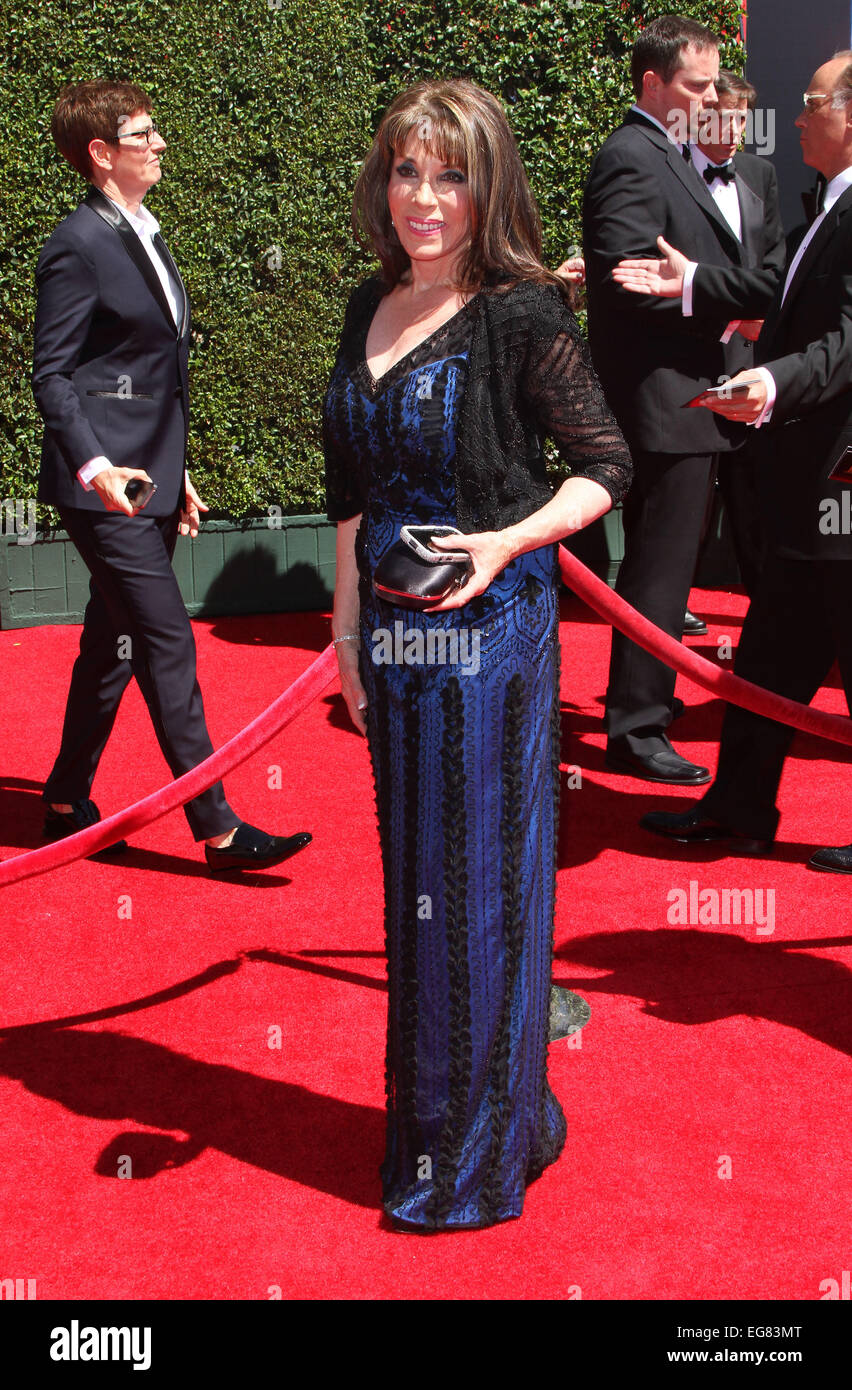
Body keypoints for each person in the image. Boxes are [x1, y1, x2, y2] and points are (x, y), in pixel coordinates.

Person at [323, 79, 632, 1230]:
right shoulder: (369, 303)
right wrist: (346, 631)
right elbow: (350, 492)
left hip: (488, 642)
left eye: (450, 173)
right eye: (407, 170)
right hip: (398, 648)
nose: (425, 198)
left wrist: (508, 540)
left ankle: (472, 1158)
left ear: (486, 184)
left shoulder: (520, 316)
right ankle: (483, 1115)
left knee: (472, 894)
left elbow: (608, 466)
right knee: (418, 893)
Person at [33, 80, 310, 873]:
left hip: (147, 479)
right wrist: (96, 468)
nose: (159, 144)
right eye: (144, 133)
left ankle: (62, 795)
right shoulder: (77, 243)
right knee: (165, 638)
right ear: (101, 153)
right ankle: (216, 823)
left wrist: (173, 470)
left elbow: (150, 375)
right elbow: (51, 376)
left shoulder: (146, 234)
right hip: (103, 490)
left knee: (111, 645)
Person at [639, 51, 852, 872]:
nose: (794, 118)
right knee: (768, 661)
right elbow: (773, 291)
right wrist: (690, 280)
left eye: (811, 104)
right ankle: (739, 809)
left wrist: (770, 384)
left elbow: (843, 348)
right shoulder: (826, 208)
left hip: (842, 485)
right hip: (808, 492)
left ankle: (738, 806)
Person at [582, 16, 785, 787]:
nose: (710, 100)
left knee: (673, 571)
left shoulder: (665, 154)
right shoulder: (633, 157)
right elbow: (629, 286)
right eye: (697, 87)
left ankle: (644, 715)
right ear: (653, 86)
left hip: (699, 398)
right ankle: (636, 726)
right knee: (660, 576)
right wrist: (731, 309)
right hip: (666, 405)